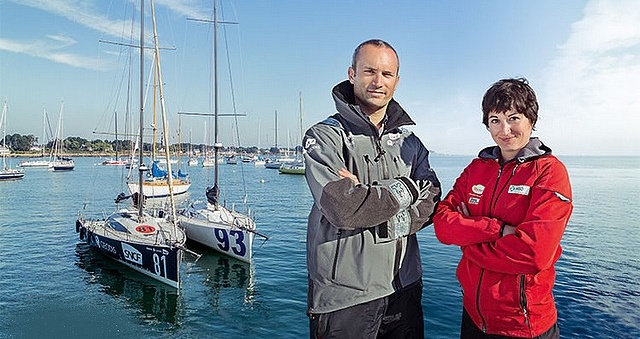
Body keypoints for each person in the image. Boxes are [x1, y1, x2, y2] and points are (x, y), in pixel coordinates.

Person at [302, 39, 441, 338]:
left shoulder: (410, 144)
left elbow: (432, 197)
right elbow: (343, 208)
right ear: (352, 74)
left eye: (387, 74)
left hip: (405, 286)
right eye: (369, 71)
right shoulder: (324, 137)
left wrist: (372, 201)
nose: (378, 82)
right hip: (345, 297)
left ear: (397, 81)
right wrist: (406, 188)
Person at [433, 78, 573, 338]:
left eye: (514, 117)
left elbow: (534, 254)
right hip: (473, 318)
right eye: (495, 120)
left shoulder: (549, 172)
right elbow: (442, 225)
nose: (504, 129)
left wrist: (468, 243)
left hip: (523, 325)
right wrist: (497, 230)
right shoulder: (477, 168)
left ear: (531, 119)